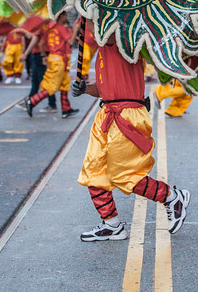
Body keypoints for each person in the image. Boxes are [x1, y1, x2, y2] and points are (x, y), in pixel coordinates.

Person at [72, 28, 189, 241]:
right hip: (106, 113)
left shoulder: (123, 41)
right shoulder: (102, 50)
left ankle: (172, 197)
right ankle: (112, 225)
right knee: (94, 172)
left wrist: (85, 6)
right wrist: (85, 89)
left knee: (124, 175)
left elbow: (100, 23)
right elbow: (103, 87)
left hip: (127, 115)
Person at [23, 12, 79, 118]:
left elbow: (41, 44)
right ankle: (31, 101)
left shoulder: (49, 29)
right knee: (52, 87)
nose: (66, 17)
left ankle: (66, 109)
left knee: (64, 84)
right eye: (65, 15)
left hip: (54, 58)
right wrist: (76, 29)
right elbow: (71, 42)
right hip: (58, 60)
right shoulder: (60, 28)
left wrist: (44, 56)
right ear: (61, 16)